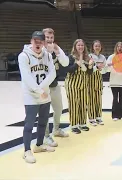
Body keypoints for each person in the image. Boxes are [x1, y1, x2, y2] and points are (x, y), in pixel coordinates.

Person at [18, 31, 56, 163]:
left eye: (40, 41)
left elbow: (53, 73)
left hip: (44, 93)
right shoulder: (23, 56)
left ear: (44, 42)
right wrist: (39, 90)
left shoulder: (48, 55)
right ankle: (26, 151)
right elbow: (26, 77)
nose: (38, 43)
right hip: (31, 95)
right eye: (35, 41)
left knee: (43, 122)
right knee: (29, 124)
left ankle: (39, 145)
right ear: (31, 41)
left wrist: (42, 88)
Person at [42, 28, 69, 148]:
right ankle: (46, 135)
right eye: (47, 37)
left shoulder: (56, 48)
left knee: (59, 108)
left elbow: (66, 63)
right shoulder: (39, 50)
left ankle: (56, 129)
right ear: (43, 38)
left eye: (51, 38)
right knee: (45, 112)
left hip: (54, 84)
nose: (49, 40)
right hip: (43, 87)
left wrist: (57, 51)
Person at [65, 39, 94, 134]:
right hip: (72, 83)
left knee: (83, 103)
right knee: (74, 104)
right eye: (78, 45)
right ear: (75, 46)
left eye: (82, 45)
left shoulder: (87, 57)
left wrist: (90, 66)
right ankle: (74, 125)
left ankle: (82, 123)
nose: (80, 47)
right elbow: (68, 70)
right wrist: (77, 64)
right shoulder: (71, 57)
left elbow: (89, 72)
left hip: (83, 83)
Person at [106, 42, 122, 121]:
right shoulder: (111, 57)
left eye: (121, 47)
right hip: (114, 81)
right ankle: (114, 115)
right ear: (115, 48)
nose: (119, 48)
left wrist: (118, 68)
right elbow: (107, 68)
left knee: (121, 98)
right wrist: (117, 68)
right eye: (118, 46)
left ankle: (121, 115)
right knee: (115, 98)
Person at [87, 40, 107, 126]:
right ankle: (91, 118)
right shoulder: (89, 56)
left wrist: (101, 69)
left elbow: (105, 70)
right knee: (91, 99)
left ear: (101, 47)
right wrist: (96, 67)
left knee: (98, 98)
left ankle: (98, 117)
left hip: (99, 79)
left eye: (99, 46)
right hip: (91, 79)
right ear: (93, 47)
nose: (97, 47)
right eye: (96, 46)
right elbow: (88, 69)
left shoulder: (103, 57)